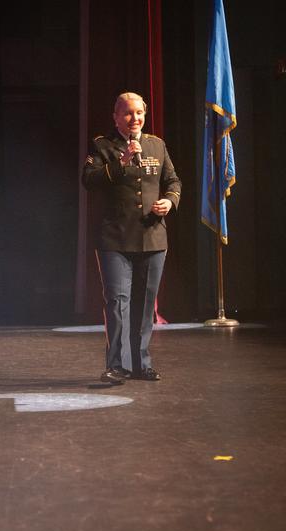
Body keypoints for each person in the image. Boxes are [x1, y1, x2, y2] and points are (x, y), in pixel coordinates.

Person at [82, 92, 181, 385]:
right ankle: (116, 365)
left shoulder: (156, 145)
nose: (134, 118)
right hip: (115, 239)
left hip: (152, 237)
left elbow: (173, 180)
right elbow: (89, 179)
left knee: (145, 302)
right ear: (116, 117)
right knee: (117, 302)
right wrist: (121, 162)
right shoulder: (102, 145)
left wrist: (170, 202)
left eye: (138, 113)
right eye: (127, 113)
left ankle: (141, 363)